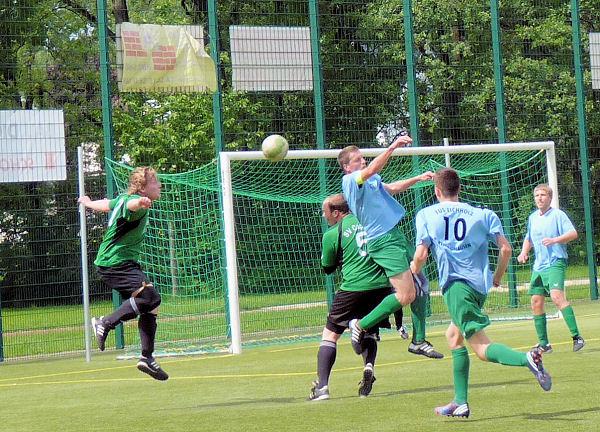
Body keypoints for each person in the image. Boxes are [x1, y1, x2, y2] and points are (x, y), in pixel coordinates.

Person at [412, 168, 551, 418]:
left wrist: (412, 271)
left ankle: (527, 358)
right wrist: (497, 277)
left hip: (456, 286)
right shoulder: (484, 213)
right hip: (479, 287)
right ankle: (460, 401)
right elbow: (506, 250)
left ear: (437, 191)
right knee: (453, 336)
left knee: (481, 348)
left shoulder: (426, 214)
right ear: (460, 189)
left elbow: (421, 256)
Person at [338, 135, 442, 359]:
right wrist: (393, 146)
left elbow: (392, 188)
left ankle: (418, 340)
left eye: (363, 158)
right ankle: (360, 324)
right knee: (406, 295)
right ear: (347, 167)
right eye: (357, 160)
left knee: (421, 285)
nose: (363, 161)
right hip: (382, 241)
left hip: (395, 235)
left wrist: (417, 178)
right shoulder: (350, 181)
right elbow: (369, 171)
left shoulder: (371, 180)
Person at [78, 166, 168, 381]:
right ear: (143, 188)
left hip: (120, 263)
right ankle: (105, 322)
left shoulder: (120, 199)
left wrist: (89, 203)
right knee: (150, 297)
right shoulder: (135, 203)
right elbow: (131, 205)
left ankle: (147, 358)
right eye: (155, 182)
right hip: (115, 264)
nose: (160, 185)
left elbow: (108, 205)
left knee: (151, 306)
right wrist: (140, 203)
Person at [309, 194, 392, 400]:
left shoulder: (332, 234)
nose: (323, 215)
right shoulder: (371, 221)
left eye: (325, 212)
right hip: (380, 287)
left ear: (336, 213)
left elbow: (327, 268)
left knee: (330, 334)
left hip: (353, 287)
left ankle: (323, 388)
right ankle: (369, 366)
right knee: (368, 331)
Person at [517, 184, 585, 353]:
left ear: (550, 198)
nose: (539, 198)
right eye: (537, 195)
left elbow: (573, 233)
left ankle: (577, 337)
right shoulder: (533, 218)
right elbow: (529, 238)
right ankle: (544, 344)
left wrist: (555, 240)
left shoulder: (558, 215)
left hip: (555, 262)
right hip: (538, 266)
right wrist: (524, 252)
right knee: (536, 301)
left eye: (543, 195)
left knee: (556, 297)